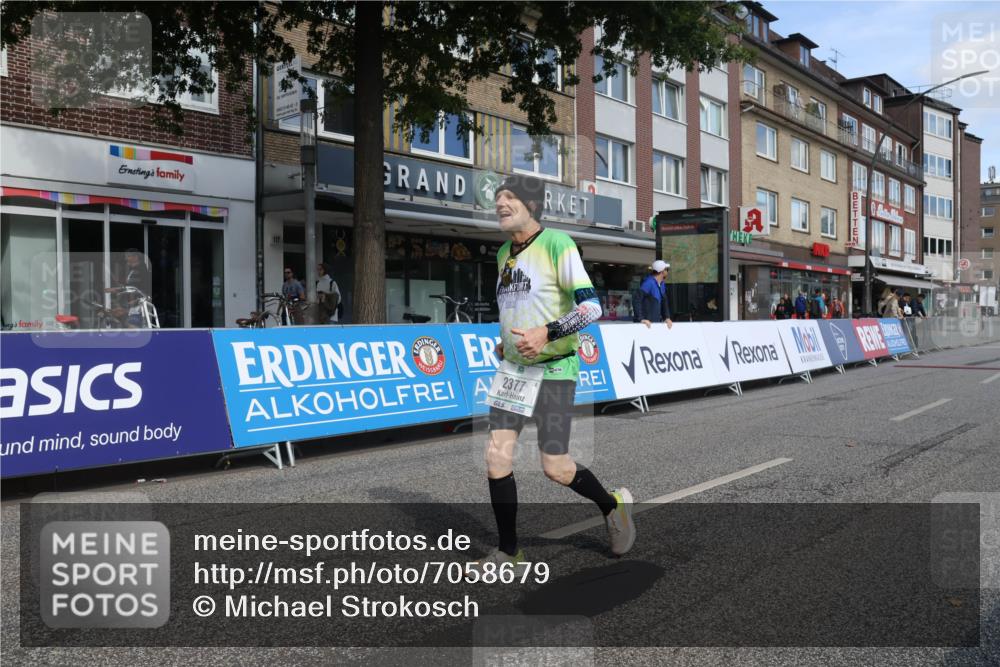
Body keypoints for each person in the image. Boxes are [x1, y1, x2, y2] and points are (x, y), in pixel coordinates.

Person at [478, 174, 635, 570]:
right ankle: (510, 552)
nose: (500, 203)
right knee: (497, 457)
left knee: (556, 467)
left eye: (510, 197)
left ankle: (611, 504)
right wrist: (508, 342)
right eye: (498, 198)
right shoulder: (502, 255)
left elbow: (591, 309)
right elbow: (518, 307)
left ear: (532, 206)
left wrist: (545, 333)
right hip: (514, 370)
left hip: (554, 368)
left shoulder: (557, 244)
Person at [634, 260, 674, 330]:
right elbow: (637, 300)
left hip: (655, 324)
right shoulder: (648, 283)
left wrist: (667, 317)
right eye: (666, 269)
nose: (667, 271)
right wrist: (641, 319)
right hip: (646, 325)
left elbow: (664, 302)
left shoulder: (662, 284)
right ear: (662, 272)